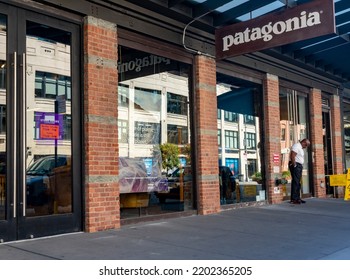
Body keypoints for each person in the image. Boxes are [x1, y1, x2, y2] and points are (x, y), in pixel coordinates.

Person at [289, 138, 310, 204]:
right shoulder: (296, 146)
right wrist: (295, 165)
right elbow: (292, 155)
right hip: (296, 165)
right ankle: (294, 199)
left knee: (298, 182)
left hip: (299, 165)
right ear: (303, 142)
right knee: (296, 182)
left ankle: (298, 198)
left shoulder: (300, 147)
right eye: (306, 145)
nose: (305, 147)